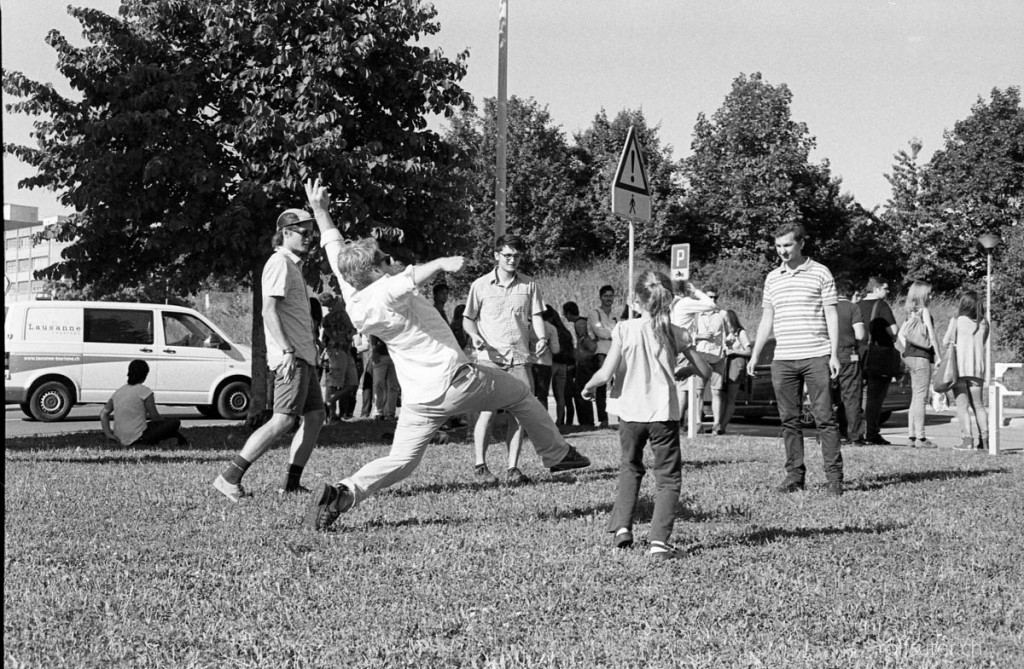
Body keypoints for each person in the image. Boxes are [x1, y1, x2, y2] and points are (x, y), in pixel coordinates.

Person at [299, 178, 590, 531]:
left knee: (403, 461)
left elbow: (334, 248)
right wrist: (441, 262)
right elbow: (407, 279)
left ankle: (342, 493)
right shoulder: (386, 290)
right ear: (374, 271)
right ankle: (556, 455)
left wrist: (320, 211)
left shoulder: (353, 289)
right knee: (521, 395)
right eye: (385, 260)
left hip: (420, 397)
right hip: (455, 381)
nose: (391, 261)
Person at [582, 271, 707, 561]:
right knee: (668, 477)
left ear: (636, 301)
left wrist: (589, 388)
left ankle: (623, 529)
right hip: (662, 414)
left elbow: (605, 373)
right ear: (669, 301)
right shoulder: (677, 333)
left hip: (630, 413)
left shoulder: (624, 329)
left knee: (630, 466)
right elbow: (706, 370)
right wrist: (687, 370)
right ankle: (659, 543)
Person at [213, 207, 325, 501]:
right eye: (304, 232)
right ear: (286, 233)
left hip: (304, 355)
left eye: (312, 232)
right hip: (292, 357)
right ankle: (230, 477)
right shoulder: (279, 263)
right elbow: (268, 310)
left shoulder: (293, 265)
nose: (309, 237)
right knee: (283, 419)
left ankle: (291, 483)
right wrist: (287, 350)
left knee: (315, 416)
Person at [747, 222, 843, 497]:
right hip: (784, 359)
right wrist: (756, 354)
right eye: (778, 246)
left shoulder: (821, 273)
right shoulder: (773, 278)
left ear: (801, 243)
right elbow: (767, 317)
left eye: (787, 245)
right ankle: (794, 476)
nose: (782, 251)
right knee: (789, 420)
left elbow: (831, 315)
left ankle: (834, 478)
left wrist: (833, 353)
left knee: (824, 418)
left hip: (816, 354)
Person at [463, 234, 549, 485]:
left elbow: (537, 316)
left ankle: (513, 468)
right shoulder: (479, 285)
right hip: (490, 357)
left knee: (520, 414)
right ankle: (480, 465)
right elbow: (468, 318)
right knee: (487, 411)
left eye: (517, 256)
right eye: (508, 255)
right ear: (496, 256)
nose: (512, 260)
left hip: (520, 357)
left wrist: (542, 338)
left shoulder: (529, 285)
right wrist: (474, 336)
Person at [100, 360, 190, 447]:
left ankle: (177, 438)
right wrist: (165, 421)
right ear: (145, 375)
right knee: (174, 422)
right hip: (140, 437)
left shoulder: (119, 392)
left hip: (120, 438)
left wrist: (109, 434)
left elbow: (104, 413)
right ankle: (178, 439)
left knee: (154, 425)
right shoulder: (145, 391)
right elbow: (155, 417)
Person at [669, 279, 717, 432]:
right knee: (683, 387)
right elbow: (711, 305)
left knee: (680, 386)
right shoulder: (684, 303)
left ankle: (677, 419)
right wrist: (696, 292)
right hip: (684, 346)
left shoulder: (673, 304)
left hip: (675, 344)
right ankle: (679, 420)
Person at [944, 290, 989, 451]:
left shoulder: (957, 321)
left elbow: (945, 341)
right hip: (977, 369)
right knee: (979, 405)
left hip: (960, 369)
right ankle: (985, 441)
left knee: (962, 406)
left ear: (964, 304)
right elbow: (982, 342)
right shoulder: (984, 323)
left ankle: (966, 440)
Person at [899, 280, 941, 449]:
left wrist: (905, 350)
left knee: (915, 397)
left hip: (909, 356)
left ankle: (911, 435)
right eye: (929, 293)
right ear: (922, 294)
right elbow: (931, 336)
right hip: (922, 357)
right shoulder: (924, 311)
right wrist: (938, 355)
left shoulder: (910, 312)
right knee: (921, 398)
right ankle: (921, 438)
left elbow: (901, 335)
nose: (931, 296)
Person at [858, 276, 899, 445]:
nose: (887, 292)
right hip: (878, 356)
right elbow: (894, 331)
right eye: (885, 288)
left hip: (859, 355)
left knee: (857, 396)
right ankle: (872, 432)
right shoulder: (882, 306)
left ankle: (855, 431)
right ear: (876, 289)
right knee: (876, 397)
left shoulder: (857, 305)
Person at [832, 279, 866, 446]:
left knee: (829, 397)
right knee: (851, 396)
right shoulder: (853, 308)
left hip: (827, 356)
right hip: (848, 355)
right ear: (851, 293)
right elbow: (859, 335)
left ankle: (831, 434)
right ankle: (855, 436)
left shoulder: (826, 307)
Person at [690, 287, 727, 435]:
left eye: (715, 297)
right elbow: (688, 333)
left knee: (716, 391)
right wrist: (700, 336)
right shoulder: (696, 314)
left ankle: (716, 423)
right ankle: (698, 422)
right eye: (710, 297)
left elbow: (729, 332)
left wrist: (728, 343)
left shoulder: (722, 314)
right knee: (698, 392)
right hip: (701, 355)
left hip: (717, 356)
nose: (712, 300)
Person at [587, 285, 619, 428]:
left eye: (611, 296)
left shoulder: (615, 315)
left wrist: (612, 334)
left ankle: (621, 418)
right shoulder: (595, 313)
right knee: (601, 385)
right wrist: (614, 334)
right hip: (601, 352)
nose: (608, 299)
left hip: (616, 351)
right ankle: (603, 420)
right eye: (606, 296)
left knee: (619, 384)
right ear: (600, 297)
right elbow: (600, 332)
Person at [719, 309, 752, 433]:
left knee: (731, 397)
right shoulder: (723, 332)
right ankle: (718, 424)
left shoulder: (740, 332)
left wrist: (734, 351)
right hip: (724, 364)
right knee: (721, 395)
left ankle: (723, 426)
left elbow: (749, 351)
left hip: (736, 364)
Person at [561, 301, 593, 427]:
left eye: (565, 313)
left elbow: (585, 340)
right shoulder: (582, 321)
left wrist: (580, 355)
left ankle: (586, 421)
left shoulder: (579, 324)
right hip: (584, 360)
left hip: (584, 361)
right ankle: (586, 420)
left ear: (568, 313)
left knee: (581, 391)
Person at [549, 306, 576, 427]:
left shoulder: (550, 329)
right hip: (564, 365)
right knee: (560, 395)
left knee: (544, 393)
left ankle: (548, 421)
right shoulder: (566, 332)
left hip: (551, 362)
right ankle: (561, 420)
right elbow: (571, 349)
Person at [531, 305, 561, 414]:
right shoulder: (551, 328)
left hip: (530, 363)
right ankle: (543, 423)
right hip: (545, 363)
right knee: (542, 395)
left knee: (529, 394)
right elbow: (555, 349)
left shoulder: (529, 326)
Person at [370, 335, 399, 420]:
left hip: (396, 354)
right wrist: (374, 349)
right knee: (378, 383)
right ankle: (378, 412)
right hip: (380, 354)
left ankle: (390, 413)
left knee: (393, 386)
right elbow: (372, 332)